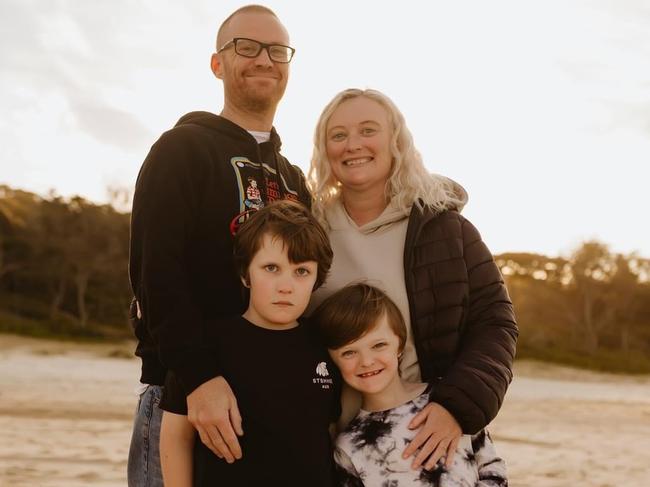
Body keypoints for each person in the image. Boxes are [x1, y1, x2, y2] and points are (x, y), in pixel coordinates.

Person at [127, 5, 310, 486]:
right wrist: (199, 378)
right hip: (185, 396)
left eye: (277, 50)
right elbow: (156, 272)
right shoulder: (182, 150)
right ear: (217, 64)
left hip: (273, 397)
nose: (264, 60)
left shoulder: (294, 180)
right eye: (245, 47)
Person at [308, 88, 518, 471]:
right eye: (338, 135)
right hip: (327, 446)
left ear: (396, 142)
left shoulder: (445, 228)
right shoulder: (309, 232)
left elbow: (495, 323)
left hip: (418, 437)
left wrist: (455, 407)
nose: (353, 144)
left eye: (368, 130)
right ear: (324, 149)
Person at [158, 200, 339, 487]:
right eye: (271, 268)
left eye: (301, 271)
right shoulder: (205, 346)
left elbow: (333, 434)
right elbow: (175, 437)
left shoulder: (327, 345)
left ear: (317, 279)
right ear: (245, 274)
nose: (286, 285)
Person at [314, 283, 508, 486]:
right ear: (333, 361)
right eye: (349, 352)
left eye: (379, 345)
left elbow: (493, 470)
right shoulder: (348, 445)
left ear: (399, 344)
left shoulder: (449, 401)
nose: (367, 361)